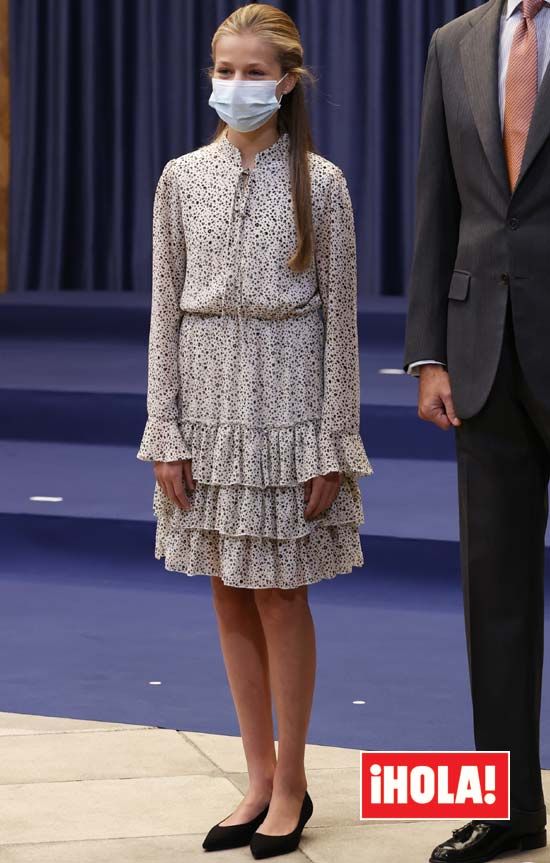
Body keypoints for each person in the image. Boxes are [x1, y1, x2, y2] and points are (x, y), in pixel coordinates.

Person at [136, 3, 372, 858]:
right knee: (225, 585)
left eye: (250, 71)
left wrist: (330, 441)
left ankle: (297, 781)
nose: (234, 86)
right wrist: (166, 426)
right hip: (203, 404)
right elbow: (165, 310)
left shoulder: (326, 183)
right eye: (222, 70)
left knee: (280, 592)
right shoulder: (179, 178)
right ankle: (257, 774)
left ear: (287, 79)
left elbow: (340, 326)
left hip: (286, 409)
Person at [404, 0, 550, 861]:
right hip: (479, 352)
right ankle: (508, 810)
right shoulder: (452, 41)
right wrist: (428, 351)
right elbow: (438, 202)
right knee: (492, 596)